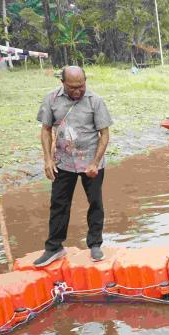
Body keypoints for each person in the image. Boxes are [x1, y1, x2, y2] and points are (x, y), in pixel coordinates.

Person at [34, 66, 112, 267]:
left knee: (95, 203)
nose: (78, 91)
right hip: (63, 162)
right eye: (73, 87)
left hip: (91, 162)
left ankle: (95, 244)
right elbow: (45, 130)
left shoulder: (95, 100)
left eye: (81, 86)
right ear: (63, 83)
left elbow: (104, 135)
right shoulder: (51, 100)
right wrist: (47, 160)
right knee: (59, 204)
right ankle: (54, 247)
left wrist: (95, 162)